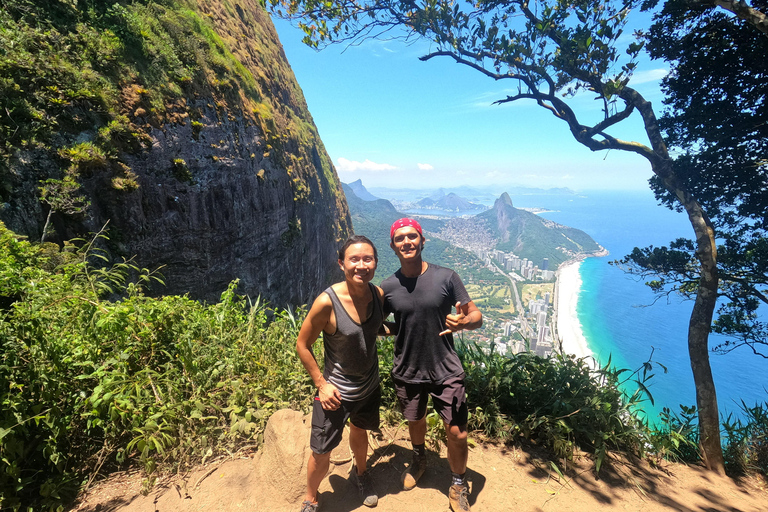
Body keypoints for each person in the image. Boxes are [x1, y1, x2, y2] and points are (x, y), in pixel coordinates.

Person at [381, 218, 482, 512]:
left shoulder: (446, 277)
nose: (406, 242)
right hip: (408, 368)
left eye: (412, 236)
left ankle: (459, 483)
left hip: (445, 367)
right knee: (415, 420)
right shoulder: (388, 287)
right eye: (400, 239)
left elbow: (476, 316)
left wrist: (463, 323)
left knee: (457, 432)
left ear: (422, 241)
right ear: (393, 246)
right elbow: (387, 324)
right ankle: (419, 458)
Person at [296, 235, 385, 512]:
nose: (361, 265)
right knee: (321, 451)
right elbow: (302, 344)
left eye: (367, 259)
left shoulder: (378, 295)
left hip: (368, 386)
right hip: (335, 393)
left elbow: (374, 329)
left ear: (375, 263)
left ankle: (361, 474)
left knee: (360, 432)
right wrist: (322, 385)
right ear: (341, 263)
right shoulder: (328, 302)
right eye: (354, 259)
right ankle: (311, 499)